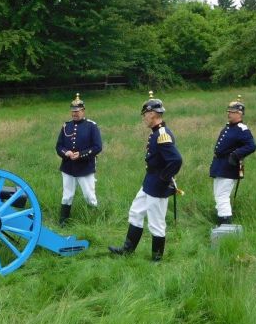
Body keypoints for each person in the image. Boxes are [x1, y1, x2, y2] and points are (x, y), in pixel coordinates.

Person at [109, 91, 183, 261]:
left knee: (156, 223)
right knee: (135, 212)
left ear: (152, 114)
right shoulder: (156, 132)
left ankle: (157, 259)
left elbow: (176, 160)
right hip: (149, 183)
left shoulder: (162, 134)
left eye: (145, 115)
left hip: (158, 186)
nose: (144, 118)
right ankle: (127, 250)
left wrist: (164, 178)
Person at [55, 93, 103, 225]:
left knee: (89, 196)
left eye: (77, 111)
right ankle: (63, 222)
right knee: (67, 195)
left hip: (85, 167)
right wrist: (66, 153)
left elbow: (97, 147)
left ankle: (93, 221)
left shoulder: (92, 126)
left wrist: (80, 155)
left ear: (83, 111)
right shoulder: (66, 126)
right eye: (73, 111)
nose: (74, 114)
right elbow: (59, 146)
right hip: (68, 167)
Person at [209, 95, 256, 226]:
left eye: (232, 112)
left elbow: (251, 146)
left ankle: (225, 225)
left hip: (229, 166)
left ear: (239, 114)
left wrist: (235, 155)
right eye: (228, 111)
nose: (229, 114)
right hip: (220, 166)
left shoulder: (242, 129)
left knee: (222, 196)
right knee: (218, 195)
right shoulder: (229, 127)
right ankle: (221, 221)